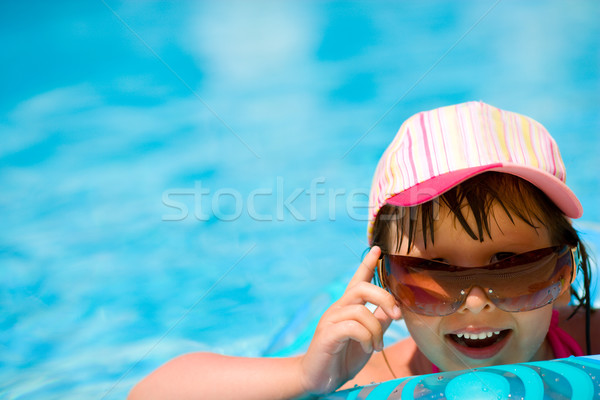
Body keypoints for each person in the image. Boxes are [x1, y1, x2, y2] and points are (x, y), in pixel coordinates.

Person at [128, 101, 598, 400]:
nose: (475, 301)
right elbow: (150, 393)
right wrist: (304, 376)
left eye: (513, 267)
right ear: (385, 284)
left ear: (563, 276)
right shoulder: (378, 374)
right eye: (432, 273)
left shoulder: (587, 339)